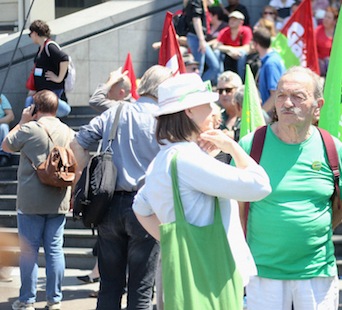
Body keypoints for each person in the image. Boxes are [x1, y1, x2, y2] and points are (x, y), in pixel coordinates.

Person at [132, 73, 270, 309]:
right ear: (189, 111)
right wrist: (232, 147)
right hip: (213, 270)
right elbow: (260, 185)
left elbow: (139, 207)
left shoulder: (163, 159)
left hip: (187, 270)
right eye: (206, 104)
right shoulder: (188, 158)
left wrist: (170, 240)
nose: (213, 110)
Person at [237, 66, 342, 310]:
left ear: (317, 105)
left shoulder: (333, 148)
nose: (287, 103)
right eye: (280, 95)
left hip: (317, 272)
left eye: (297, 96)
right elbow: (239, 210)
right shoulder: (251, 145)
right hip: (263, 272)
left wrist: (306, 237)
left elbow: (338, 206)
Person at [71, 65, 172, 310]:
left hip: (109, 205)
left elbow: (77, 144)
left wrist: (87, 173)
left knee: (110, 286)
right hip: (147, 207)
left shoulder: (116, 112)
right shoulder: (165, 120)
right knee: (141, 290)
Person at [2, 90, 75, 310]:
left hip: (30, 200)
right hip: (58, 199)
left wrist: (23, 121)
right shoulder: (68, 131)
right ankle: (54, 300)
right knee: (55, 249)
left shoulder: (29, 128)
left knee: (28, 251)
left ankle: (27, 301)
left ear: (35, 108)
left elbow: (6, 145)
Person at [25, 20, 71, 117]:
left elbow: (64, 58)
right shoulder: (41, 48)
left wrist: (59, 78)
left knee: (31, 103)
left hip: (52, 96)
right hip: (42, 95)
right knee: (30, 102)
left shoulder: (50, 46)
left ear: (34, 33)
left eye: (30, 34)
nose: (31, 37)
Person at [183, 0, 221, 82]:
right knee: (198, 69)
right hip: (197, 38)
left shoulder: (198, 2)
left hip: (198, 38)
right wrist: (201, 40)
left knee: (214, 65)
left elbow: (211, 2)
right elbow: (196, 20)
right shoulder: (196, 1)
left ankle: (200, 86)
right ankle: (196, 89)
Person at [254, 27, 286, 116]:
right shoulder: (274, 57)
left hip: (270, 117)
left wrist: (260, 116)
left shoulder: (271, 63)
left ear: (255, 44)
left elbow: (275, 95)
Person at [215, 11, 252, 80]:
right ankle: (219, 79)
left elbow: (247, 48)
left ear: (241, 22)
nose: (232, 21)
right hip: (227, 55)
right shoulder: (224, 31)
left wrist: (234, 50)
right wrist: (230, 49)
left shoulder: (246, 30)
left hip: (239, 55)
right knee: (217, 53)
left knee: (243, 54)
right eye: (231, 19)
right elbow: (217, 46)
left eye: (235, 19)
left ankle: (241, 80)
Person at [217, 71, 243, 140]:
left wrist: (236, 135)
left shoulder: (249, 116)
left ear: (238, 91)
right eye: (220, 91)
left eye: (228, 90)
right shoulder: (215, 118)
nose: (224, 94)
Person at [315, 7, 338, 76]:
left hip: (334, 64)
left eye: (329, 18)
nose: (326, 19)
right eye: (325, 17)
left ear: (335, 21)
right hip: (320, 65)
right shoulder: (318, 30)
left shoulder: (339, 32)